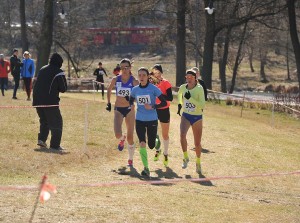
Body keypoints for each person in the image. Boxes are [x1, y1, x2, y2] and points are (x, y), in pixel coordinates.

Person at [128, 67, 167, 177]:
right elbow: (131, 99)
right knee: (142, 143)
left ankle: (156, 140)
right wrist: (130, 104)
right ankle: (146, 168)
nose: (141, 77)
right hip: (139, 119)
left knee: (151, 145)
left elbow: (164, 103)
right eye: (139, 75)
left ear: (147, 77)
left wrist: (153, 106)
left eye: (143, 75)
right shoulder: (135, 89)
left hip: (152, 119)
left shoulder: (153, 88)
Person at [106, 58, 139, 166]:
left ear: (130, 68)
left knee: (130, 137)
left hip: (129, 110)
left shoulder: (134, 81)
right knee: (117, 134)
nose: (124, 70)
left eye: (126, 67)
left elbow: (139, 95)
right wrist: (108, 102)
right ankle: (122, 139)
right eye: (122, 67)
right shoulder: (116, 79)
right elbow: (109, 89)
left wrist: (132, 99)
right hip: (118, 109)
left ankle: (130, 159)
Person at [33, 53, 67, 151]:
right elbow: (63, 88)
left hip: (37, 100)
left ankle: (41, 140)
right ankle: (55, 146)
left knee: (44, 121)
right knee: (57, 123)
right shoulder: (59, 72)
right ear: (59, 63)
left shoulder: (42, 69)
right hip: (50, 101)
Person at [177, 69, 205, 174]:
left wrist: (190, 99)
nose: (188, 78)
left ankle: (198, 162)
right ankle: (185, 157)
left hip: (197, 117)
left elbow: (202, 105)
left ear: (195, 78)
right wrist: (180, 104)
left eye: (191, 77)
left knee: (197, 143)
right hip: (186, 115)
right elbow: (180, 94)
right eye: (187, 77)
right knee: (182, 135)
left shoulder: (199, 88)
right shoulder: (183, 87)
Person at [150, 64, 173, 167]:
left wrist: (159, 93)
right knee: (152, 132)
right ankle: (158, 149)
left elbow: (170, 98)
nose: (157, 75)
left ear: (161, 73)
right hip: (153, 110)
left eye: (158, 73)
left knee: (165, 134)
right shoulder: (150, 83)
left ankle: (166, 153)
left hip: (164, 110)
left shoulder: (166, 83)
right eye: (155, 73)